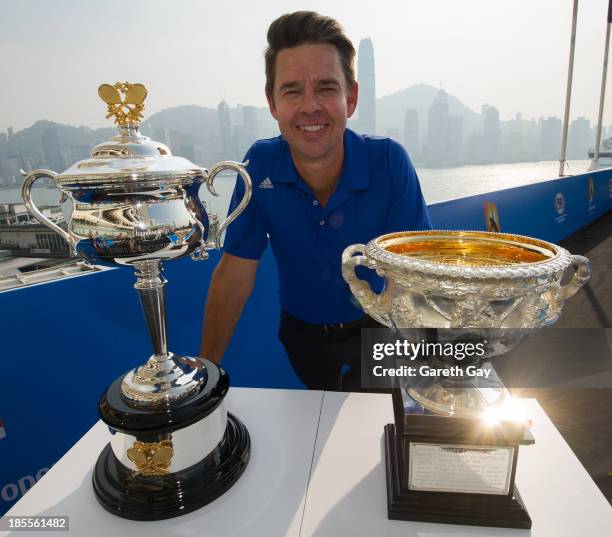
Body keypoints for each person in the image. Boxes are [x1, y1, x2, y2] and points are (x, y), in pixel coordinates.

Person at [200, 11, 431, 391]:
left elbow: (417, 272)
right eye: (292, 90)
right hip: (301, 335)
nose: (310, 106)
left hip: (379, 332)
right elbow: (235, 274)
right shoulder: (258, 165)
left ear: (350, 97)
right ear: (273, 104)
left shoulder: (389, 162)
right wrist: (205, 374)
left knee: (375, 425)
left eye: (326, 88)